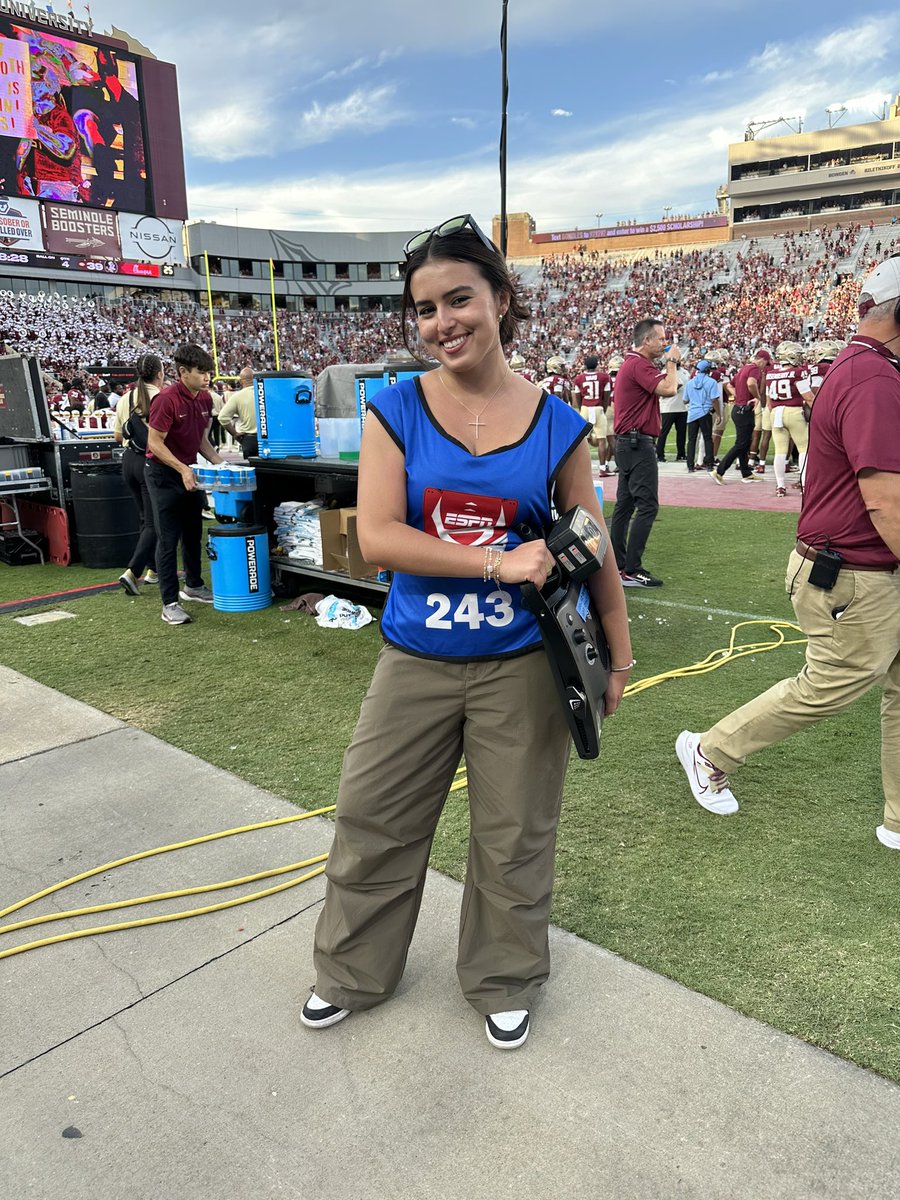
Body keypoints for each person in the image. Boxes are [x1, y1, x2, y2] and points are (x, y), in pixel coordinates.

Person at [300, 213, 633, 1049]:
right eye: (424, 309)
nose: (442, 322)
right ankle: (351, 971)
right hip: (416, 659)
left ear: (501, 300)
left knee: (515, 832)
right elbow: (376, 537)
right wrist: (499, 563)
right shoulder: (396, 407)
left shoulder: (558, 423)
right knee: (373, 819)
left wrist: (618, 656)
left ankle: (504, 976)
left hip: (521, 663)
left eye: (459, 299)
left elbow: (593, 549)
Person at [676, 255, 900, 852]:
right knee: (831, 683)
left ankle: (899, 817)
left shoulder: (861, 369)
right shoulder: (874, 378)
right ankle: (710, 749)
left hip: (857, 560)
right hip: (851, 567)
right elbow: (883, 496)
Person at [144, 344, 224, 626]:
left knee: (193, 533)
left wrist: (220, 464)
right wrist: (181, 469)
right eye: (201, 372)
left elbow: (202, 441)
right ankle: (169, 603)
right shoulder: (166, 400)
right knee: (168, 539)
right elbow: (154, 443)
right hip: (163, 473)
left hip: (188, 472)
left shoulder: (204, 399)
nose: (207, 378)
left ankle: (193, 585)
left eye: (208, 372)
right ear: (182, 373)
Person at [609, 319, 681, 587]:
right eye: (661, 338)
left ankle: (618, 566)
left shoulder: (633, 363)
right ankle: (631, 569)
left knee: (624, 506)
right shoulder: (639, 364)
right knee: (647, 506)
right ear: (646, 340)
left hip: (628, 443)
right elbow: (669, 388)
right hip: (638, 444)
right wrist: (671, 363)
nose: (665, 343)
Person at [115, 352, 163, 594]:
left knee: (145, 519)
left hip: (128, 461)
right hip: (149, 461)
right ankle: (133, 572)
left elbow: (117, 435)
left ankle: (153, 570)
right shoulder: (161, 397)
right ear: (158, 373)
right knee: (154, 523)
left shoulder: (125, 398)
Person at [711, 349, 770, 483]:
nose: (764, 366)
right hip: (744, 410)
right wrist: (757, 397)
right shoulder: (754, 369)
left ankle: (746, 472)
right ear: (762, 360)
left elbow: (729, 386)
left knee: (745, 442)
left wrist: (738, 395)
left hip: (738, 408)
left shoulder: (744, 368)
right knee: (741, 443)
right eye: (765, 363)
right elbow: (751, 383)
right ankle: (719, 471)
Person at [765, 342, 814, 498]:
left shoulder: (771, 374)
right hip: (794, 412)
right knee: (803, 449)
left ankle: (780, 486)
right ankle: (804, 484)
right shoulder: (797, 372)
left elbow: (768, 400)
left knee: (780, 451)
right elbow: (808, 397)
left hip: (776, 412)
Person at [572, 354, 612, 473]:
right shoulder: (604, 377)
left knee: (581, 440)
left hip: (585, 408)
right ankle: (602, 468)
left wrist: (582, 409)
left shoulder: (579, 378)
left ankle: (581, 469)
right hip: (598, 408)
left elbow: (578, 397)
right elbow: (606, 396)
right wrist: (602, 409)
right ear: (597, 364)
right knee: (601, 440)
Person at [683, 359, 720, 472]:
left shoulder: (690, 383)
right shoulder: (711, 382)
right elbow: (714, 400)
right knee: (707, 438)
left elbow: (685, 400)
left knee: (691, 440)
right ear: (708, 370)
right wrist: (718, 414)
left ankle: (690, 465)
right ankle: (709, 464)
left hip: (692, 413)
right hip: (705, 412)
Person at [217, 366, 258, 458]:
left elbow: (222, 417)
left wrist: (235, 434)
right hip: (269, 438)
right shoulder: (265, 393)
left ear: (240, 381)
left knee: (252, 470)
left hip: (249, 438)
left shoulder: (238, 396)